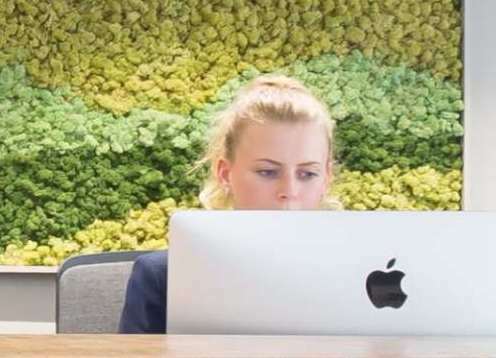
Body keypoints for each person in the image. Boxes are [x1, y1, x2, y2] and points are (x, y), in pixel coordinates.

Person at [118, 73, 335, 334]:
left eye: (308, 174)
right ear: (225, 174)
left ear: (326, 180)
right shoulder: (162, 278)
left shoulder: (360, 280)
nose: (289, 191)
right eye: (267, 172)